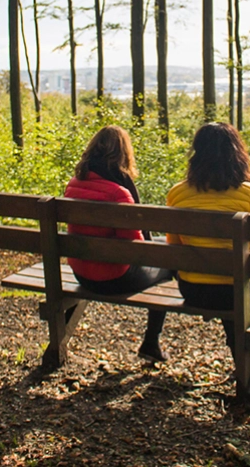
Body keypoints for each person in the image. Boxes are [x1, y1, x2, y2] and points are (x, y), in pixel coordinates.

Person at [65, 125, 172, 363]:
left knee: (161, 249)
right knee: (167, 260)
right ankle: (151, 342)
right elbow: (136, 248)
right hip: (114, 279)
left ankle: (58, 342)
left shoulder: (73, 185)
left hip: (81, 274)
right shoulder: (119, 193)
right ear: (124, 155)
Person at [166, 122, 250, 358]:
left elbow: (174, 248)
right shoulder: (247, 194)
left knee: (230, 279)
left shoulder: (177, 193)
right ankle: (241, 353)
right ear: (237, 154)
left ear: (196, 154)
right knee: (240, 278)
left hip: (193, 290)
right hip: (235, 293)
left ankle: (238, 350)